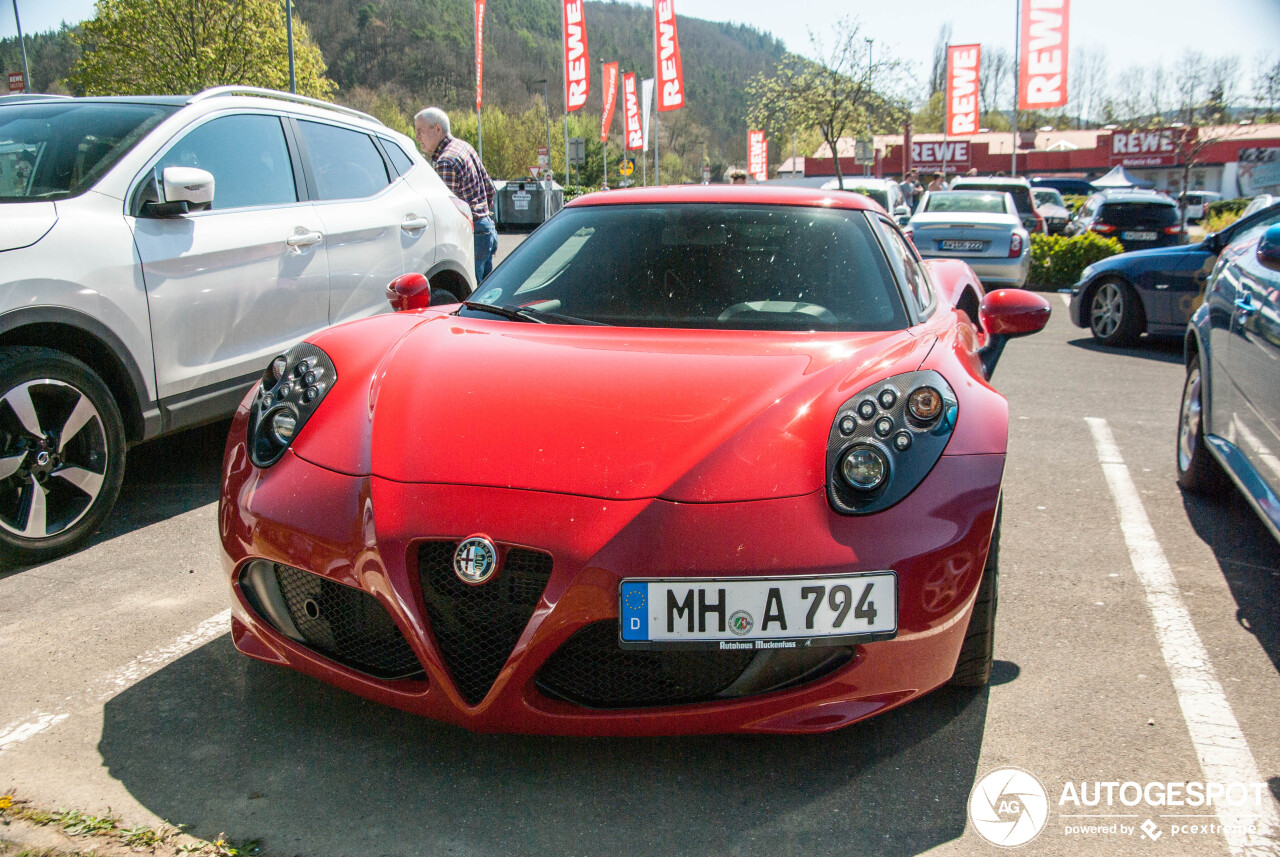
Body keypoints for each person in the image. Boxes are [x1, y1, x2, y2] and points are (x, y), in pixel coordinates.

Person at [414, 107, 498, 284]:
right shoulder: (465, 147)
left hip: (471, 234)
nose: (417, 138)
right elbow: (490, 189)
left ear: (437, 129)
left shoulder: (445, 161)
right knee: (486, 293)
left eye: (420, 131)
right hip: (485, 227)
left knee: (471, 297)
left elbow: (447, 214)